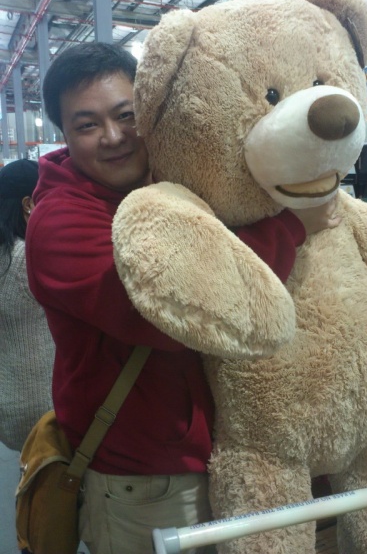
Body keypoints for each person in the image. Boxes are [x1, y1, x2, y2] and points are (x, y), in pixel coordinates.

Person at [26, 41, 340, 554]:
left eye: (125, 115)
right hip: (147, 479)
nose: (113, 137)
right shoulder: (62, 223)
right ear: (63, 134)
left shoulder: (167, 183)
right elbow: (182, 310)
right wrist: (292, 227)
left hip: (226, 453)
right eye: (87, 125)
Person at [0, 158, 55, 554]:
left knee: (32, 472)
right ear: (28, 204)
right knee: (56, 484)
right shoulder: (31, 258)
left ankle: (29, 532)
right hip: (47, 402)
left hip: (9, 405)